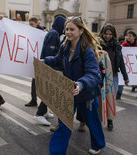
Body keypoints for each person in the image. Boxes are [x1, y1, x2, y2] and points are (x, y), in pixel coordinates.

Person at [45, 16, 105, 155]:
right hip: (69, 92)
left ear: (81, 30)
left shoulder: (88, 50)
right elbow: (57, 61)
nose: (68, 32)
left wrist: (80, 84)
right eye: (66, 29)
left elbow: (93, 74)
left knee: (92, 121)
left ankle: (98, 144)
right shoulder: (65, 46)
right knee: (64, 124)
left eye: (72, 29)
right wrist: (43, 60)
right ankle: (56, 152)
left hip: (86, 93)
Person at [93, 24, 129, 131]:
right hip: (101, 75)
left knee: (111, 99)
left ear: (113, 35)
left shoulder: (117, 46)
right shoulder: (97, 45)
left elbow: (121, 62)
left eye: (110, 34)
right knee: (100, 99)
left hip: (113, 76)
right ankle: (98, 120)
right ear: (102, 33)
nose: (108, 36)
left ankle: (110, 120)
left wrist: (125, 77)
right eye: (106, 34)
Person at [32, 16, 66, 126]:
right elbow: (50, 52)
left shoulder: (53, 32)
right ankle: (39, 114)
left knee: (48, 90)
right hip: (51, 66)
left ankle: (44, 112)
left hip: (49, 64)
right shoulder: (54, 34)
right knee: (50, 91)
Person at [25, 16, 45, 107]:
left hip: (42, 60)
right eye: (29, 24)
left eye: (32, 24)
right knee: (34, 81)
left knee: (41, 83)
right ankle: (34, 99)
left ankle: (43, 104)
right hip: (36, 59)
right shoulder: (32, 32)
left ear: (37, 24)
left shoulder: (43, 33)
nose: (30, 26)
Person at [117, 30, 137, 99]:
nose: (129, 37)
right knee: (122, 80)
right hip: (126, 65)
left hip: (135, 66)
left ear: (134, 37)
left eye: (130, 36)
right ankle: (119, 93)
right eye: (128, 36)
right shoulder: (124, 45)